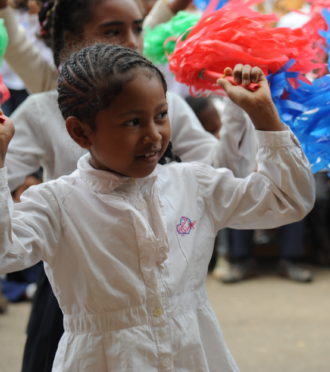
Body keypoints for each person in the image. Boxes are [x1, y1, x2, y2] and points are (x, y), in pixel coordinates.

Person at [0, 43, 314, 370]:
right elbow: (5, 253)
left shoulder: (193, 184)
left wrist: (264, 116)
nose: (153, 135)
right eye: (132, 122)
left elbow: (287, 200)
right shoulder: (57, 204)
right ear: (81, 132)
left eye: (161, 115)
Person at [0, 0, 249, 371]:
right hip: (81, 291)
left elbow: (220, 172)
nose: (132, 42)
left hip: (158, 285)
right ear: (70, 41)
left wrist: (242, 114)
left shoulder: (165, 108)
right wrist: (22, 189)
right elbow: (9, 176)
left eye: (138, 28)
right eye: (113, 31)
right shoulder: (45, 107)